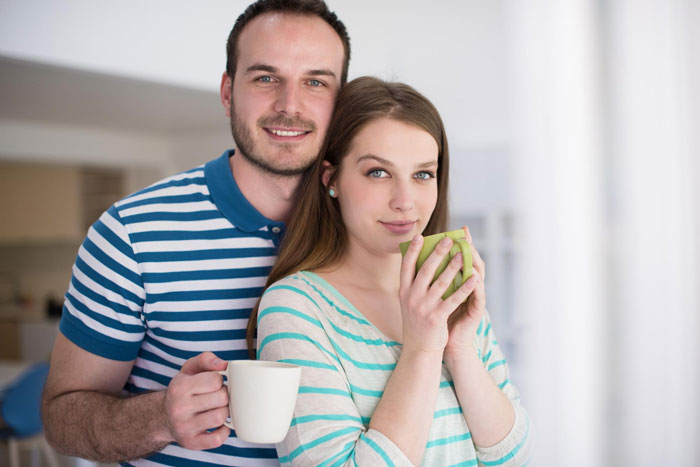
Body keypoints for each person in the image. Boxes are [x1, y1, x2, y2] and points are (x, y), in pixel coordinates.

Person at [41, 1, 350, 465]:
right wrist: (161, 417)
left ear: (341, 102)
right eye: (265, 78)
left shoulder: (367, 229)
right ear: (228, 92)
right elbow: (61, 419)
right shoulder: (130, 233)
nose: (290, 105)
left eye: (315, 82)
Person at [253, 76, 533, 466]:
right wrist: (421, 349)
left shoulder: (445, 293)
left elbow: (511, 453)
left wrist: (459, 348)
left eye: (422, 175)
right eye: (378, 173)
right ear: (331, 179)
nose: (405, 202)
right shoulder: (295, 308)